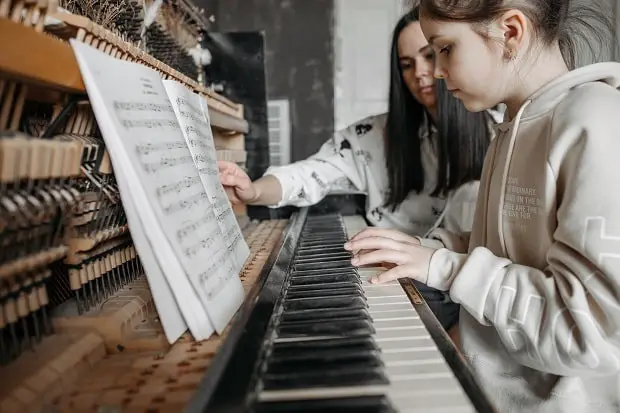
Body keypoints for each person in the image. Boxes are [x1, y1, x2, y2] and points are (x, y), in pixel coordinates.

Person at [344, 0, 620, 411]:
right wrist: (426, 248)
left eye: (445, 49)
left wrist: (443, 267)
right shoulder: (510, 127)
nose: (435, 71)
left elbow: (589, 332)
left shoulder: (594, 120)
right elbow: (514, 249)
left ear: (510, 32)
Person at [218, 8, 498, 331]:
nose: (420, 73)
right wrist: (253, 190)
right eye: (406, 65)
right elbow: (310, 174)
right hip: (394, 283)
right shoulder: (374, 135)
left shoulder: (497, 135)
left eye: (430, 56)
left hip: (468, 291)